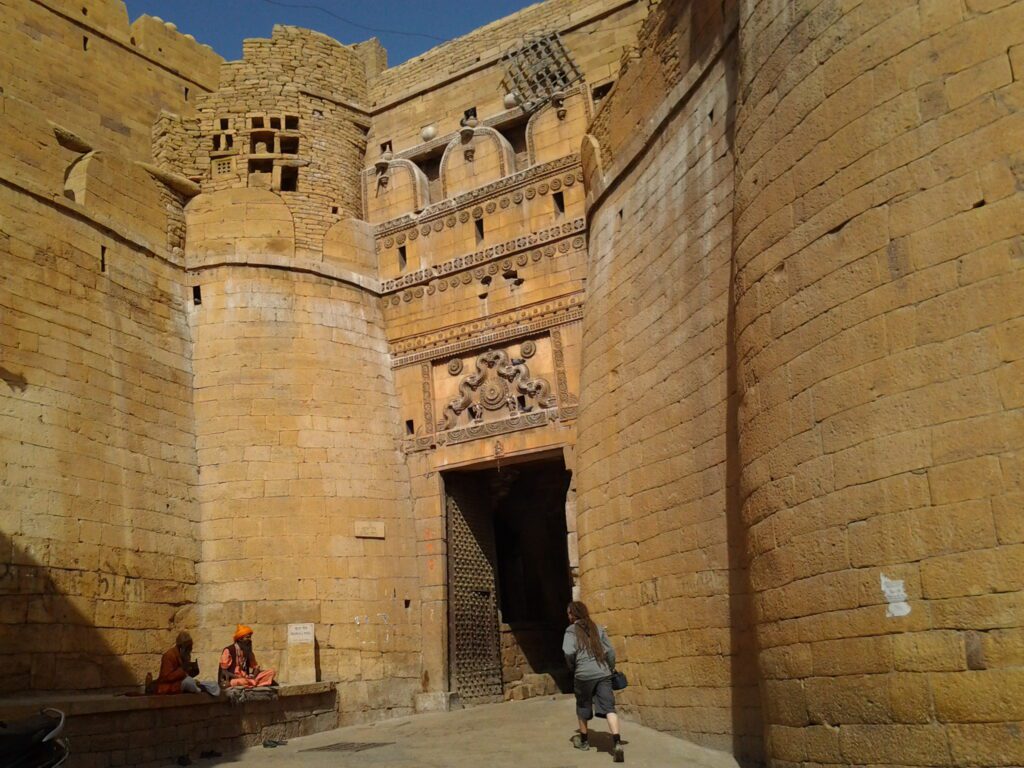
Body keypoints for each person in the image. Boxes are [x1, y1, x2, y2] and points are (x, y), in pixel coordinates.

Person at [563, 600, 624, 763]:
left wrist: (573, 667)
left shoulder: (571, 631)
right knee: (609, 707)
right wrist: (610, 668)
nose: (568, 616)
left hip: (583, 675)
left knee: (583, 705)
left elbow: (568, 651)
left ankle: (583, 741)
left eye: (569, 613)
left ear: (573, 614)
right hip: (603, 672)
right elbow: (610, 651)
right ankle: (617, 743)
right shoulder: (597, 628)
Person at [146, 631, 219, 696]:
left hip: (183, 682)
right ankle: (199, 689)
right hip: (170, 686)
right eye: (188, 648)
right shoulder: (169, 656)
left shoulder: (185, 655)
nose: (189, 651)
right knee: (189, 682)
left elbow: (186, 674)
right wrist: (182, 670)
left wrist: (193, 670)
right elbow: (166, 677)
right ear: (181, 647)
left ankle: (200, 688)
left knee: (213, 684)